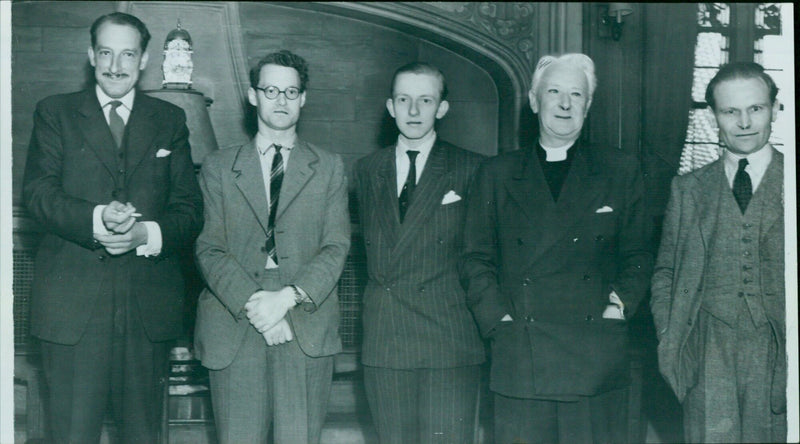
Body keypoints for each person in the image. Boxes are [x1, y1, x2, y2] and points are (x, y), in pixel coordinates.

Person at [21, 12, 204, 443]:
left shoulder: (170, 120)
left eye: (127, 54)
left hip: (146, 315)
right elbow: (39, 196)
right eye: (106, 52)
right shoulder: (55, 113)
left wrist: (145, 234)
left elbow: (189, 211)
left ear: (143, 60)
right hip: (72, 314)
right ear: (90, 56)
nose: (115, 65)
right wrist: (96, 217)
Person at [459, 53, 653, 443]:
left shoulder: (620, 170)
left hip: (594, 352)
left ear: (588, 106)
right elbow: (475, 258)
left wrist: (617, 307)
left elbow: (641, 253)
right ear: (533, 102)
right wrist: (499, 321)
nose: (565, 104)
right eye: (554, 92)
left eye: (576, 94)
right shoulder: (495, 174)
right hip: (521, 352)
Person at [193, 49, 350, 444]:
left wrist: (287, 298)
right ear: (252, 95)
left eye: (291, 92)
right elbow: (210, 248)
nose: (281, 101)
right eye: (271, 90)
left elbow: (336, 246)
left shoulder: (329, 167)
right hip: (235, 320)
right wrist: (258, 303)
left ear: (303, 99)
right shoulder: (218, 166)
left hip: (305, 322)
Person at [650, 62, 786, 442]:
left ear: (774, 109)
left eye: (755, 108)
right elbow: (665, 273)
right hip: (706, 351)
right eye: (730, 111)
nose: (744, 122)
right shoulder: (688, 189)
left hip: (780, 352)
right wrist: (669, 334)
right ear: (714, 117)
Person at [354, 62, 485, 443]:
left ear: (441, 108)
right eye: (404, 100)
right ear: (390, 107)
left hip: (449, 343)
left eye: (425, 100)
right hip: (386, 340)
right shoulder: (367, 169)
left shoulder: (472, 169)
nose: (413, 111)